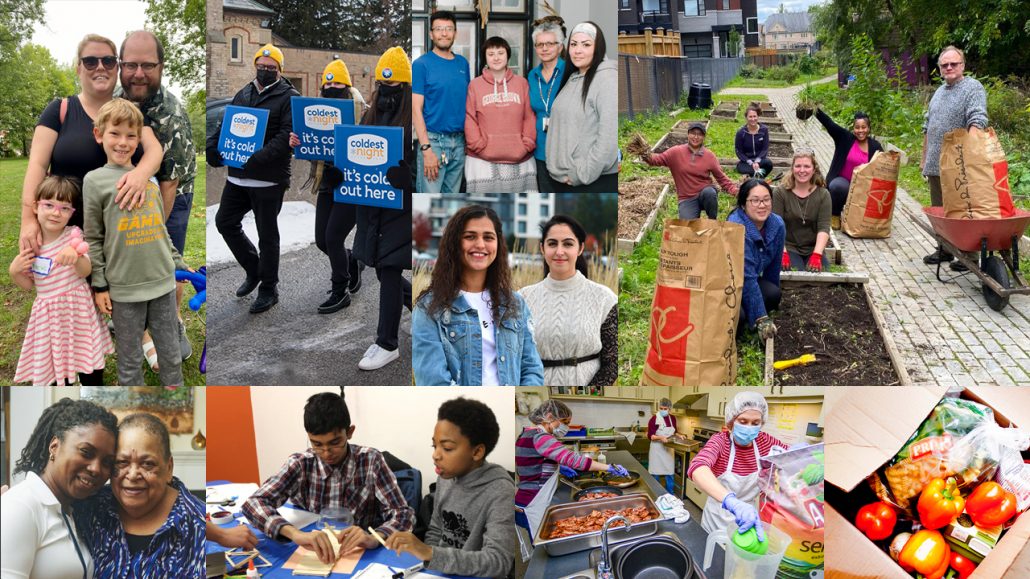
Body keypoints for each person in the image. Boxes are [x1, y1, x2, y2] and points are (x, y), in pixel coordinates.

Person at [18, 33, 163, 385]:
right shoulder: (60, 110)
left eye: (108, 61)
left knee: (111, 300)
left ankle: (130, 345)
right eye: (90, 61)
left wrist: (142, 174)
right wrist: (28, 219)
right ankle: (61, 363)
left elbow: (155, 151)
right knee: (69, 302)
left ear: (117, 67)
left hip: (116, 231)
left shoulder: (125, 111)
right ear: (78, 67)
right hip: (65, 228)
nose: (100, 67)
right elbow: (37, 166)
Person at [83, 98, 188, 386]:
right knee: (129, 361)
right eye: (115, 133)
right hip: (124, 291)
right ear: (99, 134)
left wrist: (179, 264)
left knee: (170, 350)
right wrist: (100, 285)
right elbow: (93, 237)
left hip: (162, 284)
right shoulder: (94, 181)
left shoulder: (150, 180)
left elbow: (160, 229)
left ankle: (174, 396)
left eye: (131, 135)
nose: (123, 142)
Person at [242, 392, 414, 565]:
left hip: (359, 552)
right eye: (317, 444)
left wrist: (374, 537)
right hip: (313, 548)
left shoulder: (371, 461)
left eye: (334, 442)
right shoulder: (301, 464)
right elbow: (254, 503)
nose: (326, 453)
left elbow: (403, 513)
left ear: (350, 432)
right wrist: (295, 534)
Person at [117, 30, 198, 364]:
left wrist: (151, 234)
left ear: (161, 66)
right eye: (131, 64)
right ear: (120, 65)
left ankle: (171, 322)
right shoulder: (115, 100)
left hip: (171, 194)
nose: (139, 73)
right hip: (131, 190)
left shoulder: (170, 115)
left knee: (165, 261)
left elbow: (168, 184)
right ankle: (143, 329)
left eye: (147, 65)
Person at [207, 43, 299, 314]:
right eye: (262, 67)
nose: (265, 71)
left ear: (279, 70)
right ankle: (254, 269)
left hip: (269, 179)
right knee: (225, 222)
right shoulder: (243, 92)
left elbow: (287, 135)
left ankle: (269, 288)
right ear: (255, 66)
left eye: (271, 68)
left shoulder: (288, 96)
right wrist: (213, 147)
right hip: (237, 178)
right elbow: (226, 125)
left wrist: (257, 157)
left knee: (267, 236)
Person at [413, 205, 544, 386]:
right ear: (455, 242)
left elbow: (531, 368)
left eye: (488, 237)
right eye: (470, 236)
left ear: (498, 243)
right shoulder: (429, 307)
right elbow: (433, 382)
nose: (480, 244)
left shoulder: (515, 303)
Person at [385, 398, 514, 579]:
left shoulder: (500, 491)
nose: (436, 455)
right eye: (434, 445)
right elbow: (436, 529)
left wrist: (431, 553)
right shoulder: (446, 476)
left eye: (446, 448)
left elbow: (498, 562)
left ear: (477, 452)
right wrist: (430, 563)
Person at [72, 413, 205, 577]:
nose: (133, 475)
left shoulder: (198, 525)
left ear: (168, 468)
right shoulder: (90, 506)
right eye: (122, 462)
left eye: (147, 464)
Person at [10, 176, 114, 385]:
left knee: (90, 368)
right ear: (36, 207)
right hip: (51, 319)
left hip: (79, 312)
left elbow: (85, 271)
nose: (56, 213)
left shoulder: (73, 236)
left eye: (64, 208)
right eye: (49, 205)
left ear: (72, 214)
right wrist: (15, 272)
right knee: (58, 373)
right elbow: (30, 285)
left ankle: (93, 389)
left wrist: (75, 257)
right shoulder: (32, 247)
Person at [1, 398, 118, 578]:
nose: (96, 468)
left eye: (107, 462)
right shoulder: (20, 507)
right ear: (54, 446)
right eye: (86, 452)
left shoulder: (72, 510)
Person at [353, 47, 415, 371]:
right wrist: (341, 174)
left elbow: (429, 167)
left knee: (389, 269)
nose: (387, 91)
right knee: (381, 268)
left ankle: (386, 343)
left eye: (394, 85)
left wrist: (411, 178)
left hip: (401, 210)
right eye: (382, 84)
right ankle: (424, 310)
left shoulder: (417, 119)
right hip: (372, 208)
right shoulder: (370, 114)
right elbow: (355, 153)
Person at [288, 59, 366, 314]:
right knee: (322, 240)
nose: (332, 87)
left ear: (348, 85)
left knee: (333, 236)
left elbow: (370, 151)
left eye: (338, 83)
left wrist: (343, 170)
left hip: (352, 187)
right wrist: (297, 142)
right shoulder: (314, 110)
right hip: (325, 183)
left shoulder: (360, 113)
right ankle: (352, 260)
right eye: (328, 83)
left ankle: (339, 290)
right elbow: (313, 147)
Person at [519, 215, 617, 386]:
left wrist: (586, 395)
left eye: (568, 244)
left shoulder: (604, 298)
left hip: (587, 394)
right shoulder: (522, 299)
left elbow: (612, 363)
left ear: (580, 248)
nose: (559, 251)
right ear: (542, 248)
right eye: (552, 244)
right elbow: (515, 358)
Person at [921, 45, 988, 271]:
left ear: (963, 65)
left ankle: (968, 256)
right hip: (935, 164)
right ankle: (945, 249)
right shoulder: (939, 92)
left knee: (963, 211)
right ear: (939, 68)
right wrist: (924, 158)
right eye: (944, 65)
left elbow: (977, 121)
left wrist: (968, 157)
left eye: (953, 64)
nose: (949, 67)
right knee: (941, 211)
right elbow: (927, 127)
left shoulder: (972, 88)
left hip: (959, 165)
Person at [687, 392, 787, 541]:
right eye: (743, 421)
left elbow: (792, 456)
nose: (749, 427)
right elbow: (697, 467)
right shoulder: (720, 441)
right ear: (731, 422)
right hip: (718, 516)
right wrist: (730, 501)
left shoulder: (764, 441)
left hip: (748, 516)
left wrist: (802, 452)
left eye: (755, 423)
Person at [515, 400, 629, 521]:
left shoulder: (526, 433)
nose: (566, 427)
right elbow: (574, 460)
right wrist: (608, 467)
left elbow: (533, 464)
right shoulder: (541, 437)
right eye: (564, 422)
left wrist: (557, 467)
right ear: (549, 416)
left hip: (527, 498)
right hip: (533, 502)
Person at [545, 21, 618, 191]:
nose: (577, 51)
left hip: (589, 181)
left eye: (586, 45)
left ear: (598, 47)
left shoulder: (607, 79)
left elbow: (609, 137)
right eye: (573, 44)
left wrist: (582, 174)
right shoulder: (572, 77)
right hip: (562, 178)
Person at [464, 36, 537, 192]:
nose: (496, 58)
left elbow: (529, 116)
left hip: (521, 160)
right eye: (491, 54)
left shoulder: (522, 83)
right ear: (485, 57)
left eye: (500, 53)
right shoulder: (475, 85)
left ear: (508, 55)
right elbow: (470, 118)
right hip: (482, 161)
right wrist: (478, 145)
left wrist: (527, 143)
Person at [413, 10, 471, 193]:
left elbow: (467, 104)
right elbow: (416, 109)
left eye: (448, 29)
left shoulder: (463, 63)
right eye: (439, 29)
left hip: (460, 143)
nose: (444, 33)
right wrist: (426, 149)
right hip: (434, 142)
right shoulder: (421, 64)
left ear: (455, 33)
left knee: (451, 199)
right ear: (431, 34)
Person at [642, 122, 740, 219]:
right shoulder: (676, 152)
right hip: (686, 198)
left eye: (699, 134)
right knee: (687, 227)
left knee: (710, 193)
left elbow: (721, 178)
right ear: (688, 134)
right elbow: (655, 160)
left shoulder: (709, 156)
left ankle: (712, 221)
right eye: (693, 133)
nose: (696, 137)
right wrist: (644, 152)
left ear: (703, 137)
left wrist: (735, 191)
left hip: (704, 193)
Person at [728, 179, 784, 342]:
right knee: (738, 318)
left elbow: (774, 265)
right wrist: (761, 318)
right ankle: (747, 312)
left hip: (747, 279)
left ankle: (750, 306)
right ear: (743, 205)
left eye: (766, 199)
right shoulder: (737, 228)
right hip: (726, 283)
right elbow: (746, 277)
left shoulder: (777, 224)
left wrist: (771, 294)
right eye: (755, 200)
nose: (762, 205)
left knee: (773, 294)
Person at [815, 108, 884, 228]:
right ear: (853, 128)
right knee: (837, 187)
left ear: (868, 128)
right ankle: (835, 215)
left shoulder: (875, 146)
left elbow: (883, 167)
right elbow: (830, 124)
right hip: (843, 182)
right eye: (857, 127)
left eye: (864, 127)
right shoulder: (845, 138)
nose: (860, 130)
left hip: (863, 187)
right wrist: (815, 111)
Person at [772, 150, 831, 272]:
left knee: (821, 273)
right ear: (792, 168)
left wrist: (817, 255)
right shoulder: (780, 193)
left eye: (807, 166)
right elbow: (775, 226)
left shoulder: (823, 195)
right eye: (798, 166)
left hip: (812, 248)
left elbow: (824, 227)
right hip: (789, 247)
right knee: (794, 272)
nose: (802, 170)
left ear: (814, 169)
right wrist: (782, 252)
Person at [527, 18, 566, 192]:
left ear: (560, 47)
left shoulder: (570, 72)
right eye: (539, 44)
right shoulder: (532, 76)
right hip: (540, 150)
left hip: (565, 149)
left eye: (550, 43)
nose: (544, 48)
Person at [648, 398, 682, 495]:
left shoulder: (673, 418)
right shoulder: (654, 419)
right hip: (657, 450)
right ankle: (656, 494)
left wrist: (678, 435)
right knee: (655, 474)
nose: (663, 410)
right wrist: (660, 437)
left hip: (668, 450)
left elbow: (673, 432)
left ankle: (669, 495)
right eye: (661, 408)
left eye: (665, 408)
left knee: (670, 473)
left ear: (669, 409)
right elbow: (650, 436)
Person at [734, 104, 774, 177]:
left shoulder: (764, 130)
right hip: (747, 162)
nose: (753, 119)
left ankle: (758, 179)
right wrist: (751, 163)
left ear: (758, 116)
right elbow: (739, 151)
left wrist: (757, 161)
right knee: (740, 168)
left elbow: (765, 148)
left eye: (754, 116)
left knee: (768, 164)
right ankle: (756, 178)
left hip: (760, 160)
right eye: (750, 117)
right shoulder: (741, 132)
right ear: (746, 118)